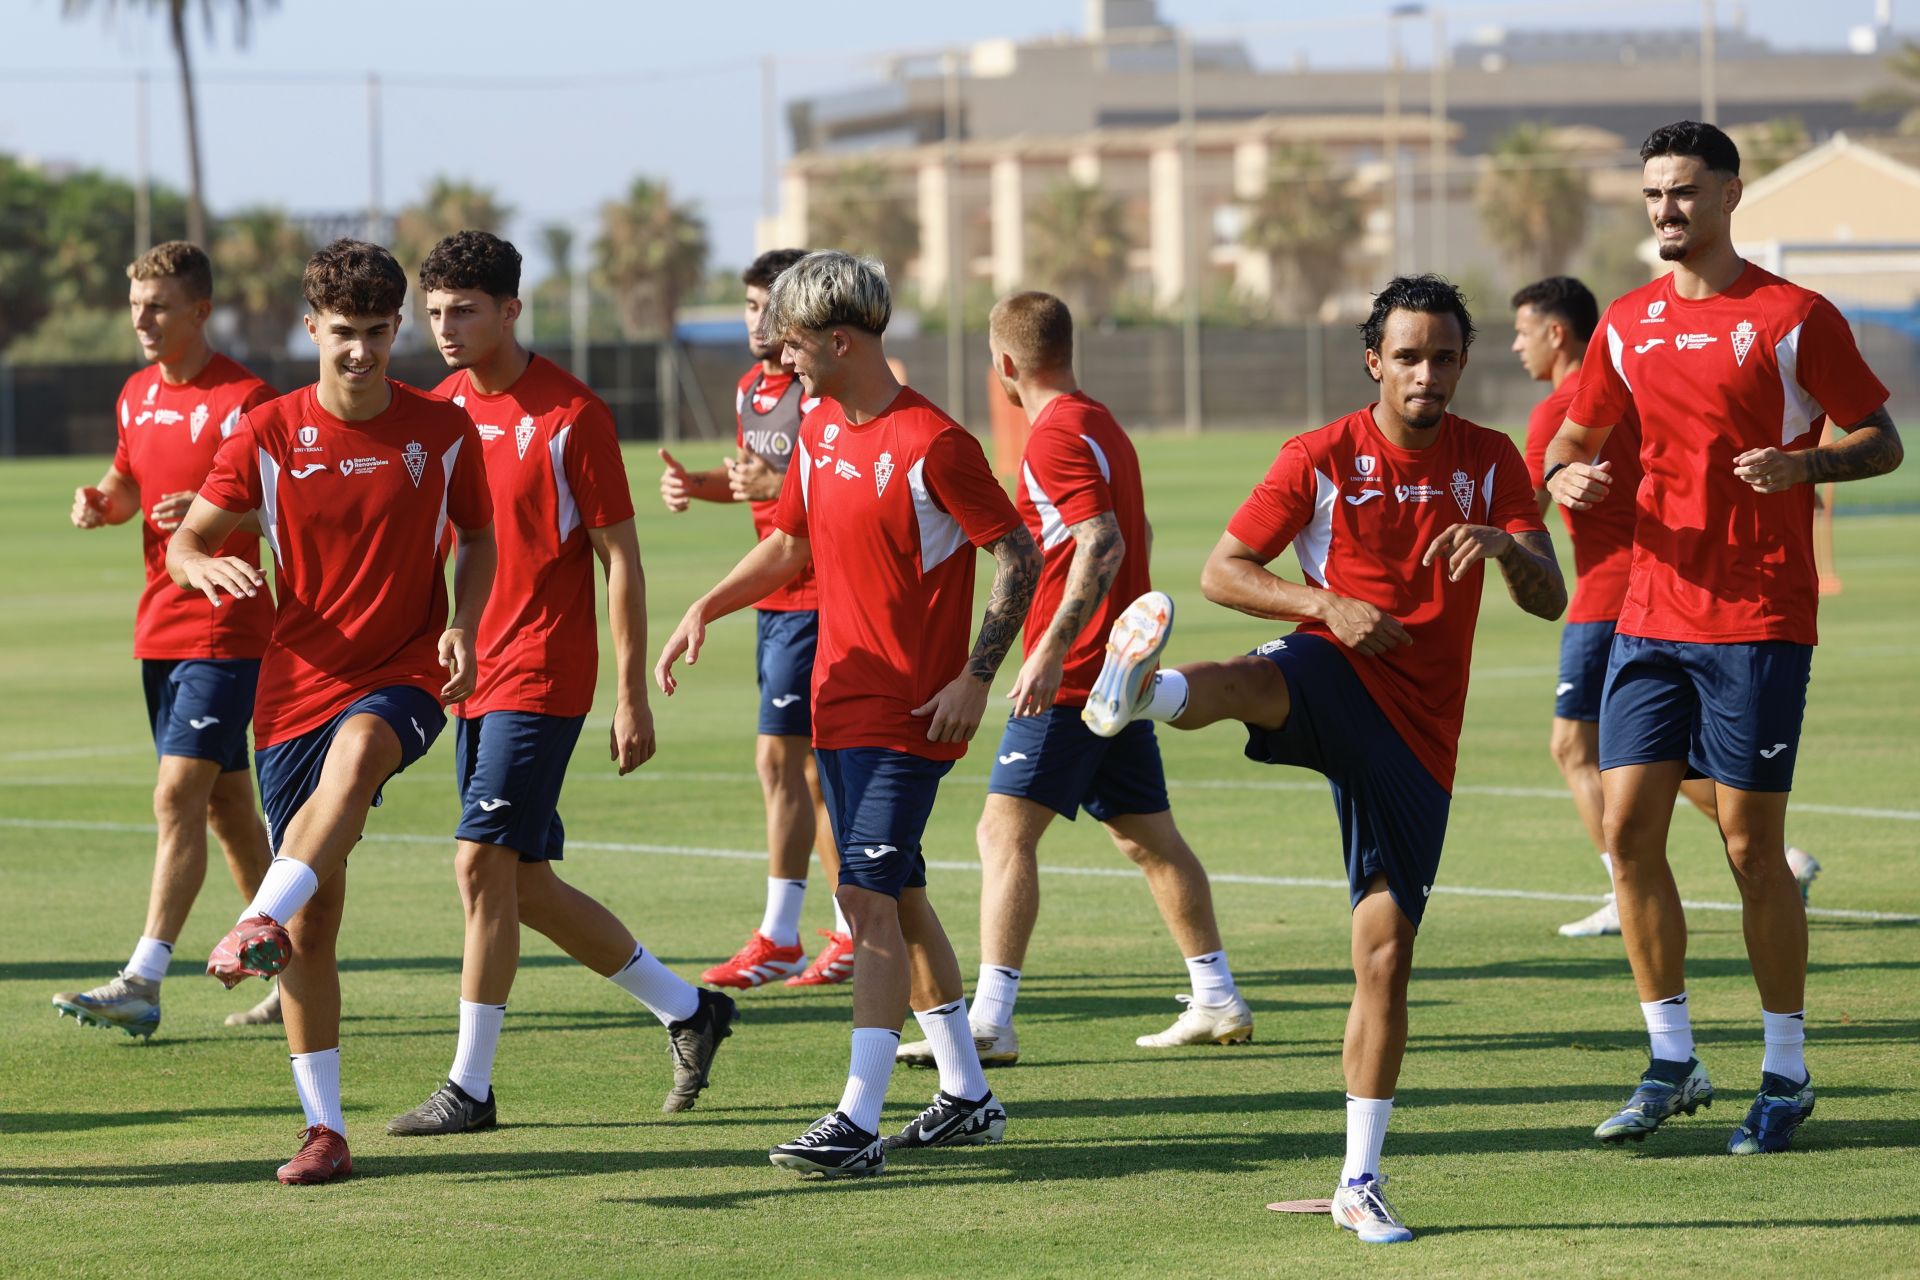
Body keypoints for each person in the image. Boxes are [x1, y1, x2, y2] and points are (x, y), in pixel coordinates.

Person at [1083, 275, 1564, 1243]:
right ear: (1374, 360)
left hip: (1423, 732)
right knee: (1255, 681)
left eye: (1445, 356)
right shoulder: (1322, 454)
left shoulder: (1494, 459)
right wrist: (1325, 604)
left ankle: (1358, 1180)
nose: (1427, 373)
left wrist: (1506, 548)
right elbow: (1224, 569)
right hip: (1338, 665)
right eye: (1409, 355)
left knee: (1383, 956)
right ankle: (1146, 691)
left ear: (1463, 363)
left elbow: (1550, 596)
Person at [1545, 121, 1901, 1157]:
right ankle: (1673, 1057)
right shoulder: (1626, 322)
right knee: (1628, 835)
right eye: (1654, 193)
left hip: (1756, 620)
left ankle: (1785, 1073)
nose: (1667, 210)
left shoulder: (1793, 317)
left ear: (1731, 196)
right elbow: (1572, 438)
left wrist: (1807, 469)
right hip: (1648, 616)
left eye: (1686, 192)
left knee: (1751, 846)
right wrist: (1565, 473)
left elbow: (1882, 440)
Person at [656, 251, 1041, 1177]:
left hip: (913, 715)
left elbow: (1018, 556)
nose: (779, 358)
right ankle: (966, 1097)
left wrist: (977, 678)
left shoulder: (934, 443)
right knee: (899, 897)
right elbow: (788, 542)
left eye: (789, 342)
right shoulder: (821, 423)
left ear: (837, 339)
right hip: (836, 703)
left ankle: (857, 1122)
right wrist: (706, 605)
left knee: (864, 899)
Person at [379, 230, 734, 1137]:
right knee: (522, 886)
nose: (446, 328)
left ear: (511, 310)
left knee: (478, 866)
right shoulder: (441, 408)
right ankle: (690, 1010)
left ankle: (470, 1088)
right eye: (434, 313)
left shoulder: (573, 415)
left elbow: (621, 558)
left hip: (544, 670)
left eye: (464, 310)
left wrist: (630, 695)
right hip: (473, 675)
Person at [169, 238, 497, 1184]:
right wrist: (205, 564)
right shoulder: (266, 433)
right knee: (317, 926)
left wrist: (463, 624)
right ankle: (324, 1130)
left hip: (403, 673)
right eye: (343, 334)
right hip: (291, 690)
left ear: (399, 329)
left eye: (378, 333)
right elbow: (191, 540)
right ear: (311, 328)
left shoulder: (442, 432)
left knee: (360, 758)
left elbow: (475, 536)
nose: (360, 351)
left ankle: (254, 917)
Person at [897, 290, 1250, 1071]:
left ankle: (989, 1021)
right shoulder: (1101, 423)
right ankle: (1217, 995)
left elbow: (1104, 541)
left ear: (1005, 364)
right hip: (1116, 666)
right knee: (1147, 838)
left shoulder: (1054, 435)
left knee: (1003, 832)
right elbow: (1137, 531)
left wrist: (1052, 648)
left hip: (1080, 674)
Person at [1509, 277, 1822, 941]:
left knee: (1574, 746)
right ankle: (1779, 855)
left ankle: (1621, 887)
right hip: (1675, 588)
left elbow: (1525, 521)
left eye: (1522, 331)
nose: (1517, 346)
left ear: (1557, 333)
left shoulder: (1557, 415)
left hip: (1607, 597)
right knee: (1656, 758)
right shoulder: (1646, 382)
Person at [53, 241, 280, 1038]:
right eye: (136, 304)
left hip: (226, 624)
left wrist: (218, 517)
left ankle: (144, 978)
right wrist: (100, 504)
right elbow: (125, 486)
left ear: (200, 312)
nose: (142, 320)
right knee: (225, 807)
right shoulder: (135, 395)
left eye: (158, 306)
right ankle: (285, 958)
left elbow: (287, 509)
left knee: (175, 794)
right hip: (159, 627)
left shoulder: (247, 398)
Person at [658, 248, 851, 990]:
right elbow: (755, 482)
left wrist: (773, 483)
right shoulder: (750, 389)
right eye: (747, 304)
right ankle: (793, 933)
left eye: (770, 305)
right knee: (787, 765)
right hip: (773, 600)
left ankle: (828, 932)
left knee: (801, 766)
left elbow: (818, 489)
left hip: (813, 597)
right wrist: (698, 485)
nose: (757, 319)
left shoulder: (822, 395)